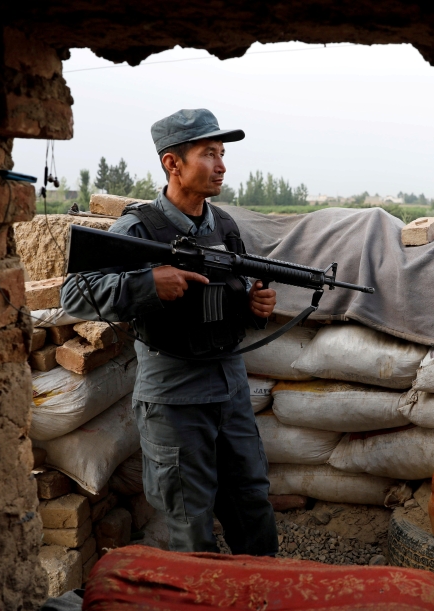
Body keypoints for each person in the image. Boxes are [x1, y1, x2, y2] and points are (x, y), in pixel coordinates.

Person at [59, 109, 278, 555]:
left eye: (221, 154)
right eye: (208, 154)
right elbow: (74, 295)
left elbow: (226, 297)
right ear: (172, 163)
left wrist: (254, 306)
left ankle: (261, 610)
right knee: (189, 520)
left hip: (230, 389)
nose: (220, 165)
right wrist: (147, 284)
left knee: (252, 504)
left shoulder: (224, 227)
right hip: (175, 396)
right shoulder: (139, 229)